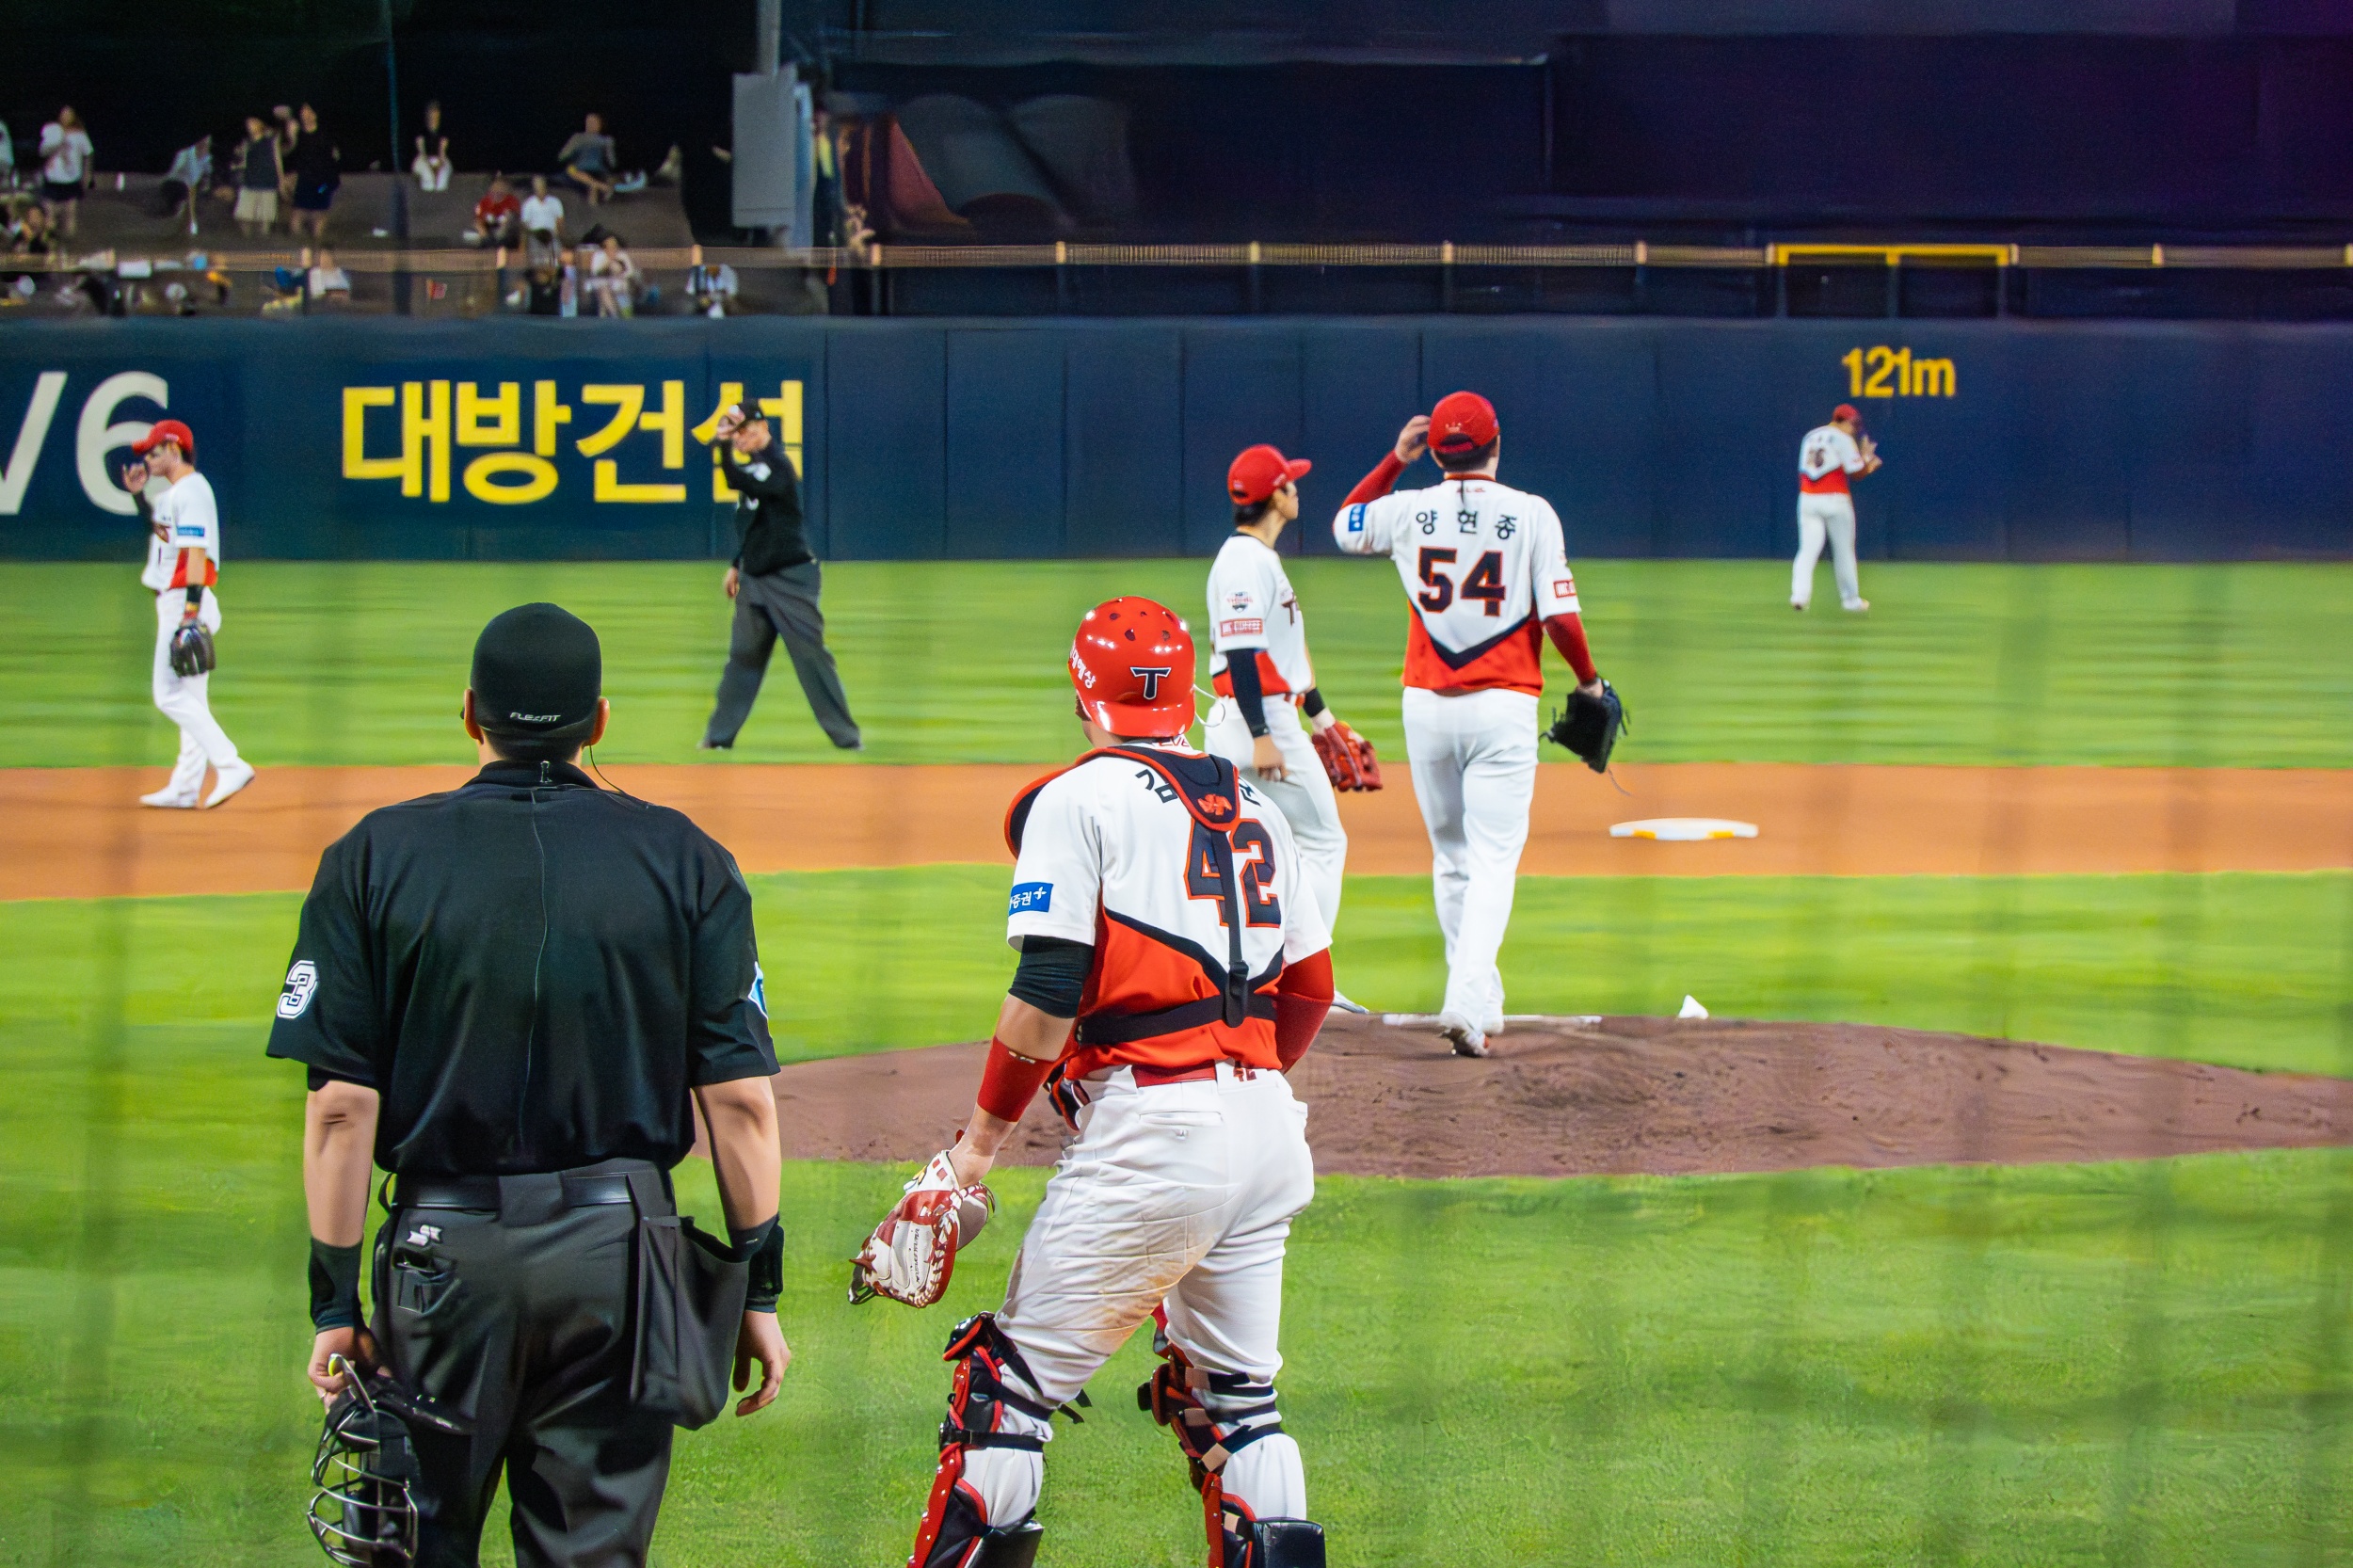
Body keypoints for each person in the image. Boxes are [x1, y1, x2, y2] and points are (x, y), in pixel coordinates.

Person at [267, 602, 791, 1568]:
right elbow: (741, 1104)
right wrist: (757, 1284)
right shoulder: (687, 858)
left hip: (441, 1266)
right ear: (600, 720)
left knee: (415, 1545)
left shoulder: (373, 855)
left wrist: (335, 1305)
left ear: (470, 713)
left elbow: (340, 1108)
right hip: (620, 1264)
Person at [859, 597, 1335, 1568]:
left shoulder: (1074, 799)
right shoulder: (1260, 809)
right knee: (1240, 1404)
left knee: (1003, 1393)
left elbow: (1044, 994)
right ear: (1187, 689)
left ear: (1083, 697)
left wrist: (973, 1154)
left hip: (1156, 1132)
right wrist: (1236, 1090)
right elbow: (1311, 989)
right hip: (1268, 1131)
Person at [1332, 392, 1609, 1059]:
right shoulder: (1532, 513)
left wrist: (1394, 461)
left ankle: (1482, 1002)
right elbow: (1560, 617)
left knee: (1453, 860)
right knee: (1492, 862)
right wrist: (1589, 681)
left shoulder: (1405, 510)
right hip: (1502, 706)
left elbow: (1345, 524)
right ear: (1497, 443)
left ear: (1435, 450)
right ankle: (1465, 997)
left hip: (1425, 707)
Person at [1205, 442, 1369, 1014]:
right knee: (1323, 840)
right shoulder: (1244, 561)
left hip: (1255, 716)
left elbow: (1284, 655)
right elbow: (1243, 654)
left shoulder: (1256, 558)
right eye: (1290, 483)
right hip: (1257, 720)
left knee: (1277, 846)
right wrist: (1262, 735)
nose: (1298, 489)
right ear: (1276, 495)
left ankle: (1258, 975)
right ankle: (1304, 980)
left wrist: (1324, 719)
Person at [698, 403, 860, 752]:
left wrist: (723, 447)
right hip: (754, 578)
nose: (740, 437)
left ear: (763, 427)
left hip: (790, 578)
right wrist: (737, 564)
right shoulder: (755, 469)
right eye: (736, 432)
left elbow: (740, 480)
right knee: (742, 658)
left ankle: (847, 739)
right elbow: (753, 525)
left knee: (810, 657)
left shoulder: (778, 466)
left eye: (745, 430)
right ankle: (718, 739)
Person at [118, 419, 255, 809]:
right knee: (192, 700)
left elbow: (196, 553)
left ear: (175, 449)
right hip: (178, 599)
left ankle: (230, 764)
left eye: (154, 451)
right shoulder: (173, 494)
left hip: (183, 600)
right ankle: (185, 787)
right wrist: (139, 498)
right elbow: (165, 537)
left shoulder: (192, 491)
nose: (147, 458)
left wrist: (190, 612)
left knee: (167, 695)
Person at [1792, 402, 1881, 614]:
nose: (1855, 429)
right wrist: (1867, 460)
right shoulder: (1843, 439)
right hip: (1835, 498)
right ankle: (1850, 600)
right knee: (1844, 552)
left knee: (1807, 551)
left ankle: (1799, 596)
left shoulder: (1810, 436)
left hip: (1808, 498)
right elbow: (1856, 473)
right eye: (1853, 424)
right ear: (1844, 421)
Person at [286, 104, 340, 242]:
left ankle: (317, 244)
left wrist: (331, 182)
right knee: (298, 213)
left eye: (308, 111)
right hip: (304, 181)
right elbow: (289, 154)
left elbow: (334, 157)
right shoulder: (298, 135)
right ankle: (297, 246)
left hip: (323, 182)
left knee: (319, 214)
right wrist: (291, 137)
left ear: (315, 115)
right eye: (303, 111)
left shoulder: (325, 135)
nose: (305, 114)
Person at [38, 107, 93, 237]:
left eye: (69, 115)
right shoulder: (53, 131)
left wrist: (87, 174)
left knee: (70, 214)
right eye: (63, 114)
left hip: (71, 178)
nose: (66, 117)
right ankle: (50, 240)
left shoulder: (80, 135)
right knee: (49, 213)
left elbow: (88, 154)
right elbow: (43, 151)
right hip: (53, 177)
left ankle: (69, 243)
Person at [232, 116, 282, 235]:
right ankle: (247, 239)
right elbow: (245, 162)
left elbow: (277, 160)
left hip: (268, 182)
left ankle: (264, 240)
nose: (250, 126)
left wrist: (281, 179)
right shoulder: (247, 143)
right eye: (248, 123)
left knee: (265, 217)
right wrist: (236, 166)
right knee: (244, 216)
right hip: (250, 181)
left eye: (253, 122)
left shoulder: (271, 141)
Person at [558, 113, 617, 204]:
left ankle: (597, 187)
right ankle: (600, 186)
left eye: (594, 122)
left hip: (596, 170)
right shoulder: (578, 138)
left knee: (572, 171)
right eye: (589, 122)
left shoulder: (606, 140)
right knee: (571, 170)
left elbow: (612, 162)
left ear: (600, 125)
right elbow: (563, 156)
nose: (591, 125)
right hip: (581, 170)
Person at [159, 136, 210, 229]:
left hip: (191, 186)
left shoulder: (208, 155)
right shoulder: (186, 152)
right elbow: (174, 169)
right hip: (176, 184)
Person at [588, 232, 637, 316]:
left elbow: (630, 271)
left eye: (614, 246)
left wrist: (620, 274)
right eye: (609, 247)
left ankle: (625, 314)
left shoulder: (622, 255)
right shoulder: (599, 255)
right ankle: (614, 315)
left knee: (620, 289)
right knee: (604, 290)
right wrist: (608, 263)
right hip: (602, 282)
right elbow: (595, 272)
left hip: (619, 281)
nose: (613, 249)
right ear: (604, 248)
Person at [520, 174, 565, 259]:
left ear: (545, 188)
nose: (539, 190)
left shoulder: (555, 202)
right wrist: (522, 246)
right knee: (536, 253)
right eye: (537, 188)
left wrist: (561, 239)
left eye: (541, 187)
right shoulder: (528, 204)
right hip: (535, 236)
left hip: (551, 235)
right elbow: (524, 227)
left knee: (555, 255)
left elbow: (560, 222)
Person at [685, 243, 738, 316]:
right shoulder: (699, 273)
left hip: (722, 305)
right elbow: (694, 292)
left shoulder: (727, 272)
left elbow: (731, 294)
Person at [471, 175, 520, 247]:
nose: (496, 190)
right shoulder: (484, 202)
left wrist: (501, 234)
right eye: (494, 188)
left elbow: (513, 219)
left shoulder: (512, 201)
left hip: (506, 235)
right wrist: (485, 236)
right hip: (488, 232)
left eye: (500, 188)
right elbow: (477, 221)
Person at [412, 101, 452, 191]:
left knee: (443, 176)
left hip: (439, 159)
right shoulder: (421, 132)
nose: (433, 119)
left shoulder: (443, 132)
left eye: (436, 117)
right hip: (423, 159)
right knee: (427, 176)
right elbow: (422, 153)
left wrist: (438, 166)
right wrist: (430, 168)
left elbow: (442, 153)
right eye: (431, 116)